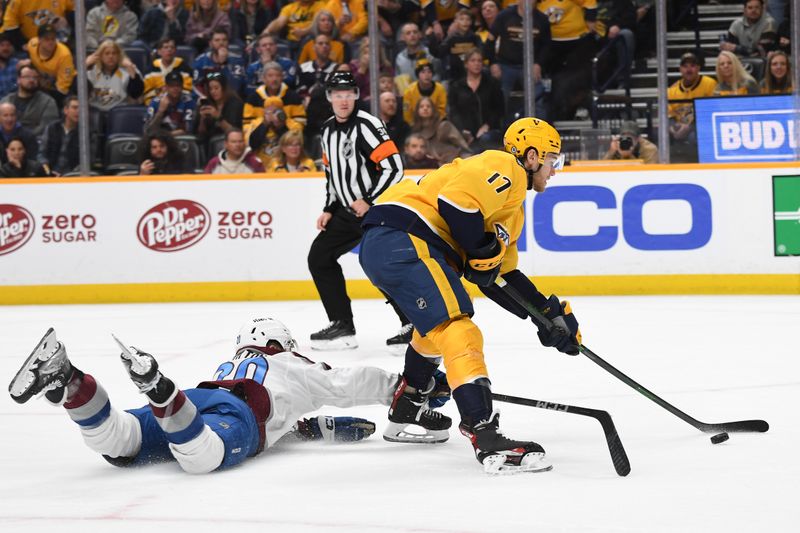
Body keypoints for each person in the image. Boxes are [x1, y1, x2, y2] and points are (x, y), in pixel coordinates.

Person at [359, 117, 579, 474]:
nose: (555, 170)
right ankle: (483, 431)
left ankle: (409, 402)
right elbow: (456, 204)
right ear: (533, 155)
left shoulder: (512, 209)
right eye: (555, 160)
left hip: (392, 242)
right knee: (460, 329)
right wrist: (480, 247)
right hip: (406, 237)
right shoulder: (503, 165)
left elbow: (499, 276)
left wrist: (546, 316)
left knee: (436, 329)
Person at [7, 319, 439, 473]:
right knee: (203, 459)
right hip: (231, 415)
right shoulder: (292, 364)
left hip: (199, 398)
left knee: (120, 444)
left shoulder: (230, 363)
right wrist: (399, 390)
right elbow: (347, 381)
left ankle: (68, 380)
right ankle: (159, 390)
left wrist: (321, 429)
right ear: (282, 343)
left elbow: (285, 418)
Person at [309, 71, 410, 351]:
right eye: (337, 95)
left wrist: (368, 199)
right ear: (329, 98)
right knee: (319, 257)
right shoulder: (327, 130)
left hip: (373, 211)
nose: (343, 100)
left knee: (380, 265)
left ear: (356, 96)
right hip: (345, 212)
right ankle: (342, 325)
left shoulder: (368, 125)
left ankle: (413, 322)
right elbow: (332, 174)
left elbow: (394, 168)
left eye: (348, 94)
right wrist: (329, 208)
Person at [447, 48, 504, 152]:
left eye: (479, 61)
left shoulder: (492, 84)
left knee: (485, 140)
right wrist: (462, 130)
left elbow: (499, 109)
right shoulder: (457, 86)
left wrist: (487, 125)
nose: (477, 64)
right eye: (473, 61)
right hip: (464, 132)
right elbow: (454, 111)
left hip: (489, 131)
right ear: (466, 64)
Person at [666, 52, 717, 157]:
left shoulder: (709, 84)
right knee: (660, 134)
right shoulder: (672, 90)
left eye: (692, 66)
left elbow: (711, 112)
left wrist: (690, 127)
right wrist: (673, 127)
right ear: (680, 69)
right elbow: (669, 115)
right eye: (685, 66)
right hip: (680, 127)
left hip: (701, 127)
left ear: (698, 68)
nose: (689, 70)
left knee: (694, 136)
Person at [86, 40, 145, 112]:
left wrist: (130, 68)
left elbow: (136, 94)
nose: (111, 56)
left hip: (120, 112)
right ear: (100, 56)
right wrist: (84, 65)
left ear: (119, 56)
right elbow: (76, 91)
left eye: (114, 53)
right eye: (107, 54)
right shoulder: (91, 71)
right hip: (95, 111)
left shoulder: (129, 69)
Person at [1, 65, 59, 137]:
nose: (31, 80)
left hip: (37, 141)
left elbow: (47, 127)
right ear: (18, 79)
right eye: (27, 77)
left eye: (35, 77)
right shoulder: (6, 101)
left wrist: (26, 137)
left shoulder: (48, 102)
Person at [411, 96, 471, 166]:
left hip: (453, 163)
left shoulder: (444, 126)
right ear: (417, 110)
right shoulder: (415, 131)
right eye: (421, 106)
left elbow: (463, 146)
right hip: (430, 167)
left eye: (428, 106)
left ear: (433, 109)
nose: (425, 108)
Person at [245, 96, 302, 168]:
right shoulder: (255, 124)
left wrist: (280, 127)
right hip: (261, 167)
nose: (273, 115)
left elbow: (295, 144)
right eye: (269, 112)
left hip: (283, 167)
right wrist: (265, 124)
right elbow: (252, 145)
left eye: (276, 111)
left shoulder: (293, 125)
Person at [25, 23, 77, 101]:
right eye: (46, 39)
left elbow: (62, 89)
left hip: (65, 83)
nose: (50, 42)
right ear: (39, 39)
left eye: (53, 39)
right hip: (43, 80)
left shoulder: (64, 54)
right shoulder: (32, 44)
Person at [194, 71, 244, 148]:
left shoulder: (235, 104)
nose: (213, 91)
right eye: (210, 89)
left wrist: (218, 117)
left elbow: (234, 132)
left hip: (229, 144)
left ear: (224, 88)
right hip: (209, 146)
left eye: (216, 88)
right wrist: (202, 120)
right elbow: (200, 134)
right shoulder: (207, 103)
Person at [192, 29, 246, 97]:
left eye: (224, 40)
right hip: (208, 98)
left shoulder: (237, 60)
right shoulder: (201, 61)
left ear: (228, 42)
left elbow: (236, 87)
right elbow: (195, 86)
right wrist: (204, 99)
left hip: (230, 100)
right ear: (210, 43)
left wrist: (223, 64)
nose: (221, 43)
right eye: (217, 40)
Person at [0, 0, 72, 49]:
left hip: (58, 44)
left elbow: (75, 15)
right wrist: (24, 45)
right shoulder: (16, 1)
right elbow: (10, 27)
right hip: (26, 45)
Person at [142, 37, 194, 104]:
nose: (169, 50)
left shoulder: (184, 67)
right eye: (166, 47)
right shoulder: (151, 69)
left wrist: (172, 93)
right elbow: (146, 92)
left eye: (172, 47)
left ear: (175, 51)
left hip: (179, 104)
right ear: (159, 52)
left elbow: (188, 89)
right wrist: (159, 92)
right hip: (156, 104)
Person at [38, 96, 80, 176]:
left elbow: (88, 161)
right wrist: (48, 172)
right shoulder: (52, 128)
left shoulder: (87, 132)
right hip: (50, 175)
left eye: (81, 108)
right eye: (75, 108)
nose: (78, 111)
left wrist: (71, 175)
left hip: (73, 177)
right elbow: (41, 154)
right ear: (65, 110)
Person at [145, 71, 196, 136]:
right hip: (159, 142)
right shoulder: (156, 102)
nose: (175, 88)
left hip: (180, 141)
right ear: (166, 87)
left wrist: (166, 136)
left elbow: (188, 129)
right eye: (171, 86)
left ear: (182, 87)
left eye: (178, 85)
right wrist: (160, 112)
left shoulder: (188, 102)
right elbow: (147, 130)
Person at [438, 9, 483, 82]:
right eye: (461, 19)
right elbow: (440, 52)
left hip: (472, 74)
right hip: (454, 74)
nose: (465, 22)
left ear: (471, 22)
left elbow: (481, 53)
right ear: (456, 22)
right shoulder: (451, 38)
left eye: (468, 19)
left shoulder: (475, 38)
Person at [402, 59, 446, 127]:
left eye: (429, 72)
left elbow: (442, 112)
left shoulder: (440, 89)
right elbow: (407, 114)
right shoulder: (409, 91)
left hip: (436, 125)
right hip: (415, 126)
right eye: (423, 72)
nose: (427, 75)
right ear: (418, 75)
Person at [0, 34, 20, 99]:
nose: (5, 48)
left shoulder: (18, 64)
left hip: (17, 103)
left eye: (8, 45)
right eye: (2, 45)